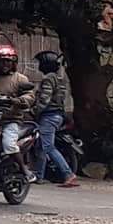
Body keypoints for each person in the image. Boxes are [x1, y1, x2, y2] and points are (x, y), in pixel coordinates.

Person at [0, 44, 37, 183]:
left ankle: (24, 170)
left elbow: (29, 96)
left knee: (8, 144)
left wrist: (19, 101)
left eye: (8, 61)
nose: (5, 64)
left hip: (10, 119)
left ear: (13, 63)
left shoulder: (20, 79)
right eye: (1, 61)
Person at [33, 51, 79, 187]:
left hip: (49, 116)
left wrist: (33, 111)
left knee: (48, 147)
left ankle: (68, 174)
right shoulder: (60, 79)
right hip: (57, 115)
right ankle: (38, 175)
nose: (39, 65)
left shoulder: (48, 79)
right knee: (41, 146)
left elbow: (44, 100)